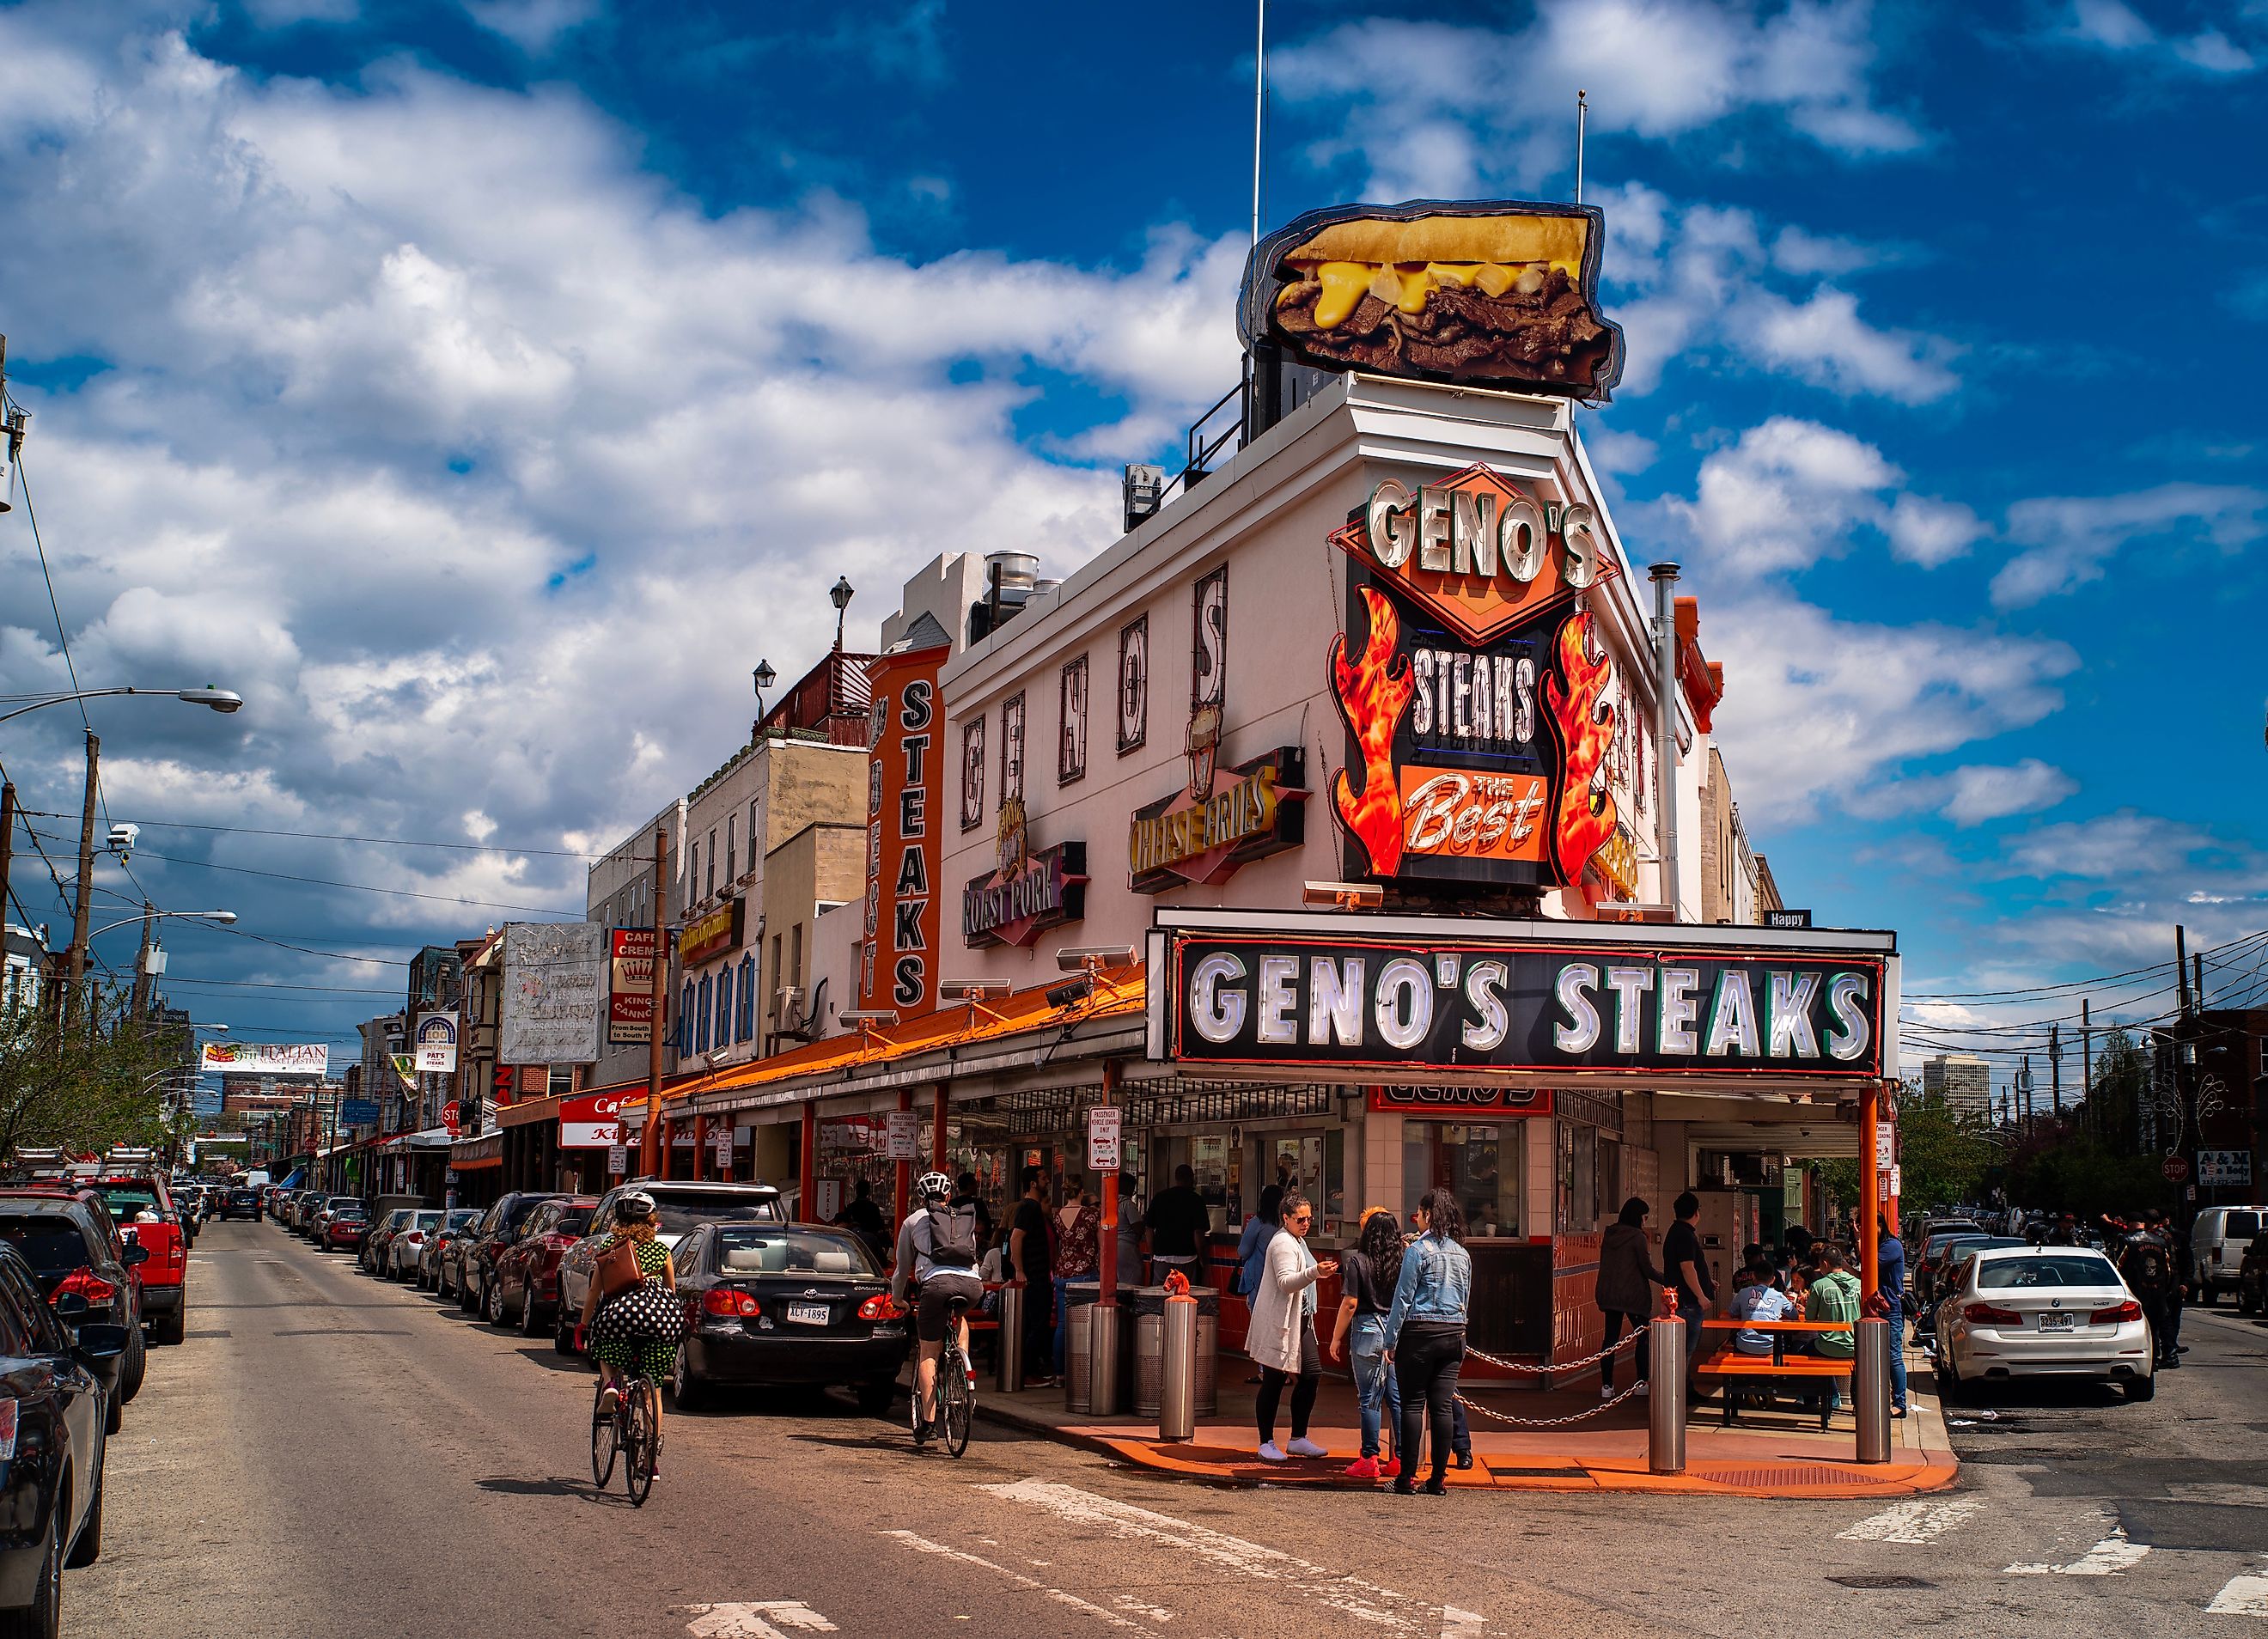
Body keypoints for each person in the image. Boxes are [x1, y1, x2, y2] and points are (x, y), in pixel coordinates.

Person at [579, 1191, 682, 1468]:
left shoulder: (610, 1249)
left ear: (618, 1219)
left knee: (604, 1345)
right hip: (661, 1316)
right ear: (651, 1220)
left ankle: (611, 1384)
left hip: (621, 1315)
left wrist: (584, 1324)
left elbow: (594, 1292)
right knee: (655, 1392)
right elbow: (671, 1289)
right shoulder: (662, 1250)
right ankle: (650, 1458)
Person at [1382, 1191, 1472, 1496]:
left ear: (1428, 1215)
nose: (1416, 1220)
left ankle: (1406, 1478)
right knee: (1442, 1407)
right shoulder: (1462, 1253)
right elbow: (1465, 1299)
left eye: (1418, 1214)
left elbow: (1403, 1297)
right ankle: (1437, 1479)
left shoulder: (1418, 1251)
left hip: (1419, 1334)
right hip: (1453, 1335)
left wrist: (1390, 1338)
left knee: (1412, 1404)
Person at [891, 1170, 985, 1444]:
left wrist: (898, 1299)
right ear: (948, 1195)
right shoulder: (962, 1219)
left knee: (929, 1353)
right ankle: (960, 1365)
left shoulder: (912, 1222)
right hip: (971, 1285)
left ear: (921, 1197)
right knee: (960, 1316)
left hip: (936, 1285)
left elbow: (901, 1270)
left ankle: (929, 1423)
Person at [1248, 1189, 1336, 1462]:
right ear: (1286, 1218)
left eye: (1310, 1218)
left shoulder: (1298, 1240)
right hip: (1281, 1323)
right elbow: (1286, 1282)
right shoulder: (1284, 1243)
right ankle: (1266, 1441)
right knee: (1274, 1380)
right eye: (1301, 1219)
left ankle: (1298, 1438)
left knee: (1311, 1374)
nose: (1307, 1223)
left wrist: (1315, 1273)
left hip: (1301, 1321)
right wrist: (1315, 1273)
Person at [1327, 1207, 1404, 1481]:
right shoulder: (1403, 1260)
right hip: (1396, 1334)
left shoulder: (1358, 1262)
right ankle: (1399, 1460)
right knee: (1397, 1399)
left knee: (1370, 1398)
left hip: (1368, 1331)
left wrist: (1336, 1338)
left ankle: (1369, 1458)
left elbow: (1350, 1303)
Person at [1594, 1197, 1663, 1398]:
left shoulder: (1610, 1234)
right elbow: (1646, 1269)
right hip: (1632, 1295)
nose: (1645, 1220)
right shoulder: (1637, 1237)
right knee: (1643, 1336)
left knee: (1610, 1339)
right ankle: (1641, 1382)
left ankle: (1607, 1386)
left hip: (1610, 1293)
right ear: (1637, 1217)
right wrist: (1668, 1280)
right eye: (1644, 1216)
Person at [1007, 1166, 1057, 1387]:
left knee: (1038, 1323)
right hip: (1034, 1276)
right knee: (1036, 1325)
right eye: (1043, 1178)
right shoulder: (1029, 1207)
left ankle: (1030, 1369)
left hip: (1039, 1274)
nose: (1047, 1181)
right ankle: (1027, 1371)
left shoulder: (1035, 1209)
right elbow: (1016, 1238)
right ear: (1033, 1183)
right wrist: (1020, 1269)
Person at [1663, 1191, 1715, 1387]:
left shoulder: (1675, 1231)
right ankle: (1681, 1390)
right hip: (1688, 1303)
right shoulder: (1685, 1235)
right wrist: (1701, 1295)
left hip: (1681, 1300)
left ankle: (1683, 1387)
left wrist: (1707, 1282)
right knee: (1685, 1350)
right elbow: (1687, 1267)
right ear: (1696, 1212)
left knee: (1683, 1350)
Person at [1802, 1244, 1860, 1416]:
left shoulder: (1819, 1285)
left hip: (1827, 1346)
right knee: (1858, 1367)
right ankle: (1858, 1404)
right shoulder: (1859, 1284)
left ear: (1825, 1264)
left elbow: (1809, 1318)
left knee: (1803, 1354)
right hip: (1855, 1347)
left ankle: (1811, 1401)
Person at [1052, 1185, 1101, 1378]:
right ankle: (1082, 1373)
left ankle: (1059, 1373)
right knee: (1087, 1326)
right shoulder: (1090, 1214)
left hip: (1062, 1273)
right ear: (1081, 1191)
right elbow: (1102, 1244)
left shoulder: (1058, 1215)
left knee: (1063, 1325)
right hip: (1086, 1273)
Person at [2120, 1210, 2178, 1368]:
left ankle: (2151, 1358)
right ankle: (2170, 1355)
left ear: (2132, 1223)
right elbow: (2168, 1268)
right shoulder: (2160, 1241)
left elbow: (2118, 1265)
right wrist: (2166, 1287)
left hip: (2136, 1289)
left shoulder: (2127, 1240)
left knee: (2141, 1325)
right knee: (2162, 1322)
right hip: (2158, 1289)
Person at [1146, 1164, 1212, 1289]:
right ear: (1191, 1178)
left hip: (1161, 1258)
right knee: (1184, 1295)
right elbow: (1198, 1234)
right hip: (1187, 1258)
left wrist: (1152, 1255)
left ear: (1176, 1178)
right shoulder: (1196, 1200)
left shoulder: (1160, 1197)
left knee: (1160, 1295)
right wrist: (1203, 1260)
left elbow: (1148, 1230)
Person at [1728, 1251, 1797, 1353]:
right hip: (1772, 1347)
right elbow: (1794, 1315)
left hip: (1745, 1345)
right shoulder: (1779, 1296)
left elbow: (1732, 1312)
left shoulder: (1743, 1293)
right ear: (1773, 1279)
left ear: (1753, 1277)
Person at [1876, 1213, 1908, 1417]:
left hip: (1890, 1308)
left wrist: (1860, 1239)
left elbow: (1870, 1264)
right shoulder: (1880, 1245)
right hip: (1876, 1306)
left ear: (1879, 1225)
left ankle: (1900, 1404)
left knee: (1893, 1355)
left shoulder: (1891, 1246)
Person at [1236, 1185, 1284, 1301]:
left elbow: (1243, 1252)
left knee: (1257, 1317)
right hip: (1278, 1279)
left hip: (1257, 1279)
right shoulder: (1284, 1224)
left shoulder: (1257, 1222)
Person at [834, 1178, 888, 1256]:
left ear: (856, 1191)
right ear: (868, 1191)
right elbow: (879, 1225)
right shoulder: (873, 1207)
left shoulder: (851, 1207)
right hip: (871, 1245)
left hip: (852, 1243)